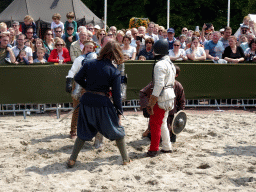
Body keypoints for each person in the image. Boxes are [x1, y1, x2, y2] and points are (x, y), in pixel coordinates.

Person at [67, 41, 130, 168]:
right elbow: (117, 96)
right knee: (117, 131)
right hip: (102, 104)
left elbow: (78, 78)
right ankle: (125, 159)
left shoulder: (89, 63)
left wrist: (89, 88)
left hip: (86, 101)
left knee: (83, 132)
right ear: (115, 54)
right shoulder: (114, 71)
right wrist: (119, 112)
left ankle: (72, 159)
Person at [146, 39, 176, 157]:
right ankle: (167, 146)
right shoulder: (170, 63)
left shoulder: (160, 64)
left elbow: (159, 85)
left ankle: (154, 149)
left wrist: (152, 101)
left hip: (161, 96)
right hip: (170, 95)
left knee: (155, 123)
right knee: (163, 122)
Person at [141, 65, 185, 143]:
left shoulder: (178, 86)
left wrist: (179, 114)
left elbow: (182, 102)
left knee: (171, 138)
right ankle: (149, 131)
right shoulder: (157, 83)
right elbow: (143, 92)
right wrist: (145, 107)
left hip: (171, 116)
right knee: (155, 135)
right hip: (158, 112)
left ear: (176, 75)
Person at [66, 41, 97, 139]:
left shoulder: (96, 59)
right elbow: (72, 71)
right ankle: (73, 131)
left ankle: (90, 131)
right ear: (84, 48)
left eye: (91, 47)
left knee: (92, 110)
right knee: (76, 109)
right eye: (88, 47)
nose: (89, 49)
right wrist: (69, 82)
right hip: (79, 84)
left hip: (91, 85)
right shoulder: (79, 59)